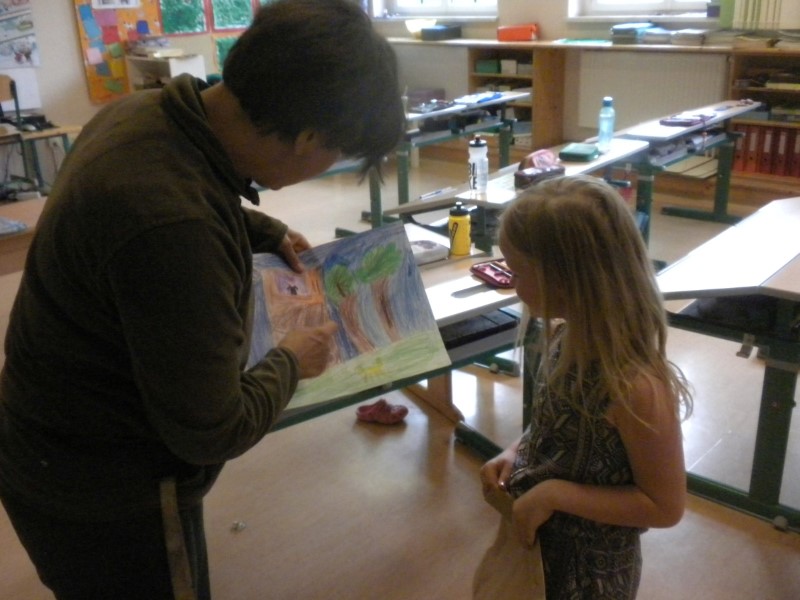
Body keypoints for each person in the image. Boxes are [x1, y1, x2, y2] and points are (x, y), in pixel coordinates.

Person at [0, 0, 405, 598]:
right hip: (101, 490)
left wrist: (259, 229)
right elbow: (213, 430)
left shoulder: (146, 112)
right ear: (309, 138)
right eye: (338, 153)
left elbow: (182, 198)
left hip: (48, 436)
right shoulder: (172, 227)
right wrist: (292, 359)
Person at [476, 175, 693, 599]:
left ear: (567, 279)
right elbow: (554, 426)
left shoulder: (636, 387)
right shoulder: (565, 339)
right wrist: (516, 452)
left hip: (591, 577)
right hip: (540, 553)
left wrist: (554, 494)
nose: (512, 285)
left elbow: (666, 506)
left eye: (518, 272)